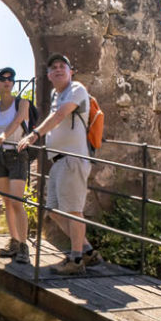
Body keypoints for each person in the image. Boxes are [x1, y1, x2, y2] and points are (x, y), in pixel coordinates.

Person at [18, 54, 102, 275]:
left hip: (73, 159)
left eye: (62, 66)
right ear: (48, 75)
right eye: (53, 67)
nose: (58, 69)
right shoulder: (57, 93)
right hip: (58, 160)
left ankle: (75, 260)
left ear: (70, 71)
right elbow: (57, 116)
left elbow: (60, 115)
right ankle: (86, 250)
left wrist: (34, 135)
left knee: (73, 210)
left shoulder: (76, 89)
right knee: (54, 210)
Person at [0, 66, 36, 264]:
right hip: (0, 157)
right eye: (3, 78)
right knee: (7, 202)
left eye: (11, 78)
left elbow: (18, 121)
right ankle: (14, 242)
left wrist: (3, 136)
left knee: (17, 202)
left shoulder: (22, 103)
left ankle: (24, 246)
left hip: (17, 155)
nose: (8, 81)